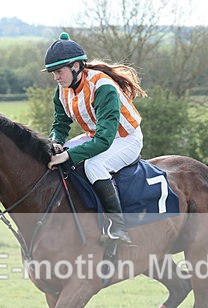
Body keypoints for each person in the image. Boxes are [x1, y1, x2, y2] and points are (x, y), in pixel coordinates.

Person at [43, 33, 146, 245]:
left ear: (76, 67)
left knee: (94, 165)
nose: (56, 77)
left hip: (126, 139)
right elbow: (60, 124)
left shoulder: (103, 87)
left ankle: (119, 228)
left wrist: (69, 155)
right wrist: (56, 141)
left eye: (59, 72)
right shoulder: (62, 90)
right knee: (53, 155)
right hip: (95, 136)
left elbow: (104, 141)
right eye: (53, 73)